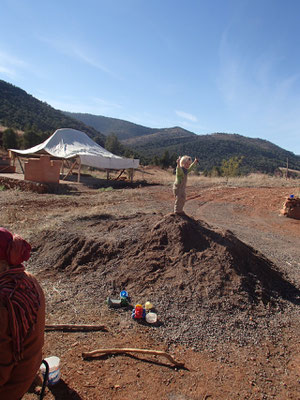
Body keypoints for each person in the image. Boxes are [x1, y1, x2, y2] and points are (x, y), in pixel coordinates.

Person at [0, 227, 45, 400]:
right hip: (31, 364)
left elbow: (2, 371)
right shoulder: (28, 279)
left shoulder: (4, 301)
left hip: (12, 385)